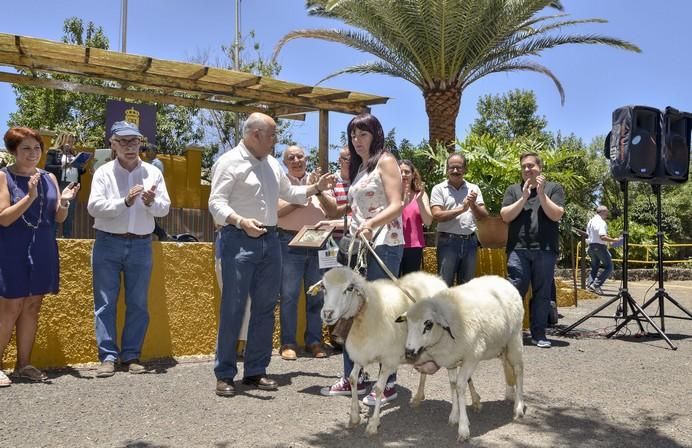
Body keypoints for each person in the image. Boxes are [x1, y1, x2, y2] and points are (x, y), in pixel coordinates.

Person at [208, 112, 334, 397]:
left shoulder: (272, 164)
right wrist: (240, 221)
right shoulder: (229, 162)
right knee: (234, 307)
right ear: (255, 134)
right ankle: (225, 374)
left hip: (271, 241)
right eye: (273, 134)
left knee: (266, 308)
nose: (276, 140)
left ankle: (255, 371)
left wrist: (316, 187)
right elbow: (215, 203)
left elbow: (291, 193)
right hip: (238, 239)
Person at [320, 113, 404, 407]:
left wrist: (370, 223)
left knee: (380, 313)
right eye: (353, 135)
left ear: (376, 135)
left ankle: (388, 383)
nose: (357, 140)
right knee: (350, 309)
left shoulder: (386, 161)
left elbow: (397, 204)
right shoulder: (359, 168)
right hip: (356, 248)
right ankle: (352, 376)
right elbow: (353, 209)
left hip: (384, 244)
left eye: (363, 134)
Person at [87, 121, 171, 377]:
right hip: (107, 243)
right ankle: (108, 357)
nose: (129, 146)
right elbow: (94, 208)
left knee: (138, 303)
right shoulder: (103, 173)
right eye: (122, 141)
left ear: (140, 143)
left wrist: (150, 201)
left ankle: (131, 356)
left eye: (133, 141)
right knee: (105, 303)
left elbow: (164, 208)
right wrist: (124, 202)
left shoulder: (153, 173)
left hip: (141, 245)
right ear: (112, 144)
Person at [0, 127, 80, 386]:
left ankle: (23, 364)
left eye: (37, 148)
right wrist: (30, 197)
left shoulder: (49, 177)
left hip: (43, 248)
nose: (33, 153)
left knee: (33, 307)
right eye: (26, 148)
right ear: (14, 151)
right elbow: (4, 218)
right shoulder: (3, 177)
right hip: (12, 248)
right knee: (10, 307)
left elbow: (57, 217)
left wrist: (66, 201)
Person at [500, 152, 565, 349]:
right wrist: (524, 198)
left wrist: (542, 193)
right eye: (524, 167)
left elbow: (556, 215)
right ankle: (510, 335)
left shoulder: (554, 188)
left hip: (545, 249)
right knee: (514, 289)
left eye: (531, 166)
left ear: (540, 168)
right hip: (518, 249)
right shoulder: (513, 190)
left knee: (542, 292)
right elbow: (505, 216)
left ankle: (539, 334)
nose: (527, 169)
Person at [277, 145, 329, 361]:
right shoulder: (281, 182)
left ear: (306, 159)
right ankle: (288, 343)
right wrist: (303, 196)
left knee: (316, 295)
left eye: (300, 156)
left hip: (318, 242)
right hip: (289, 241)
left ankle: (314, 341)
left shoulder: (319, 180)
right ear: (285, 162)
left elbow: (334, 210)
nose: (296, 160)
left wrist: (317, 189)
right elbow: (278, 212)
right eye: (291, 157)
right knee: (289, 295)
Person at [430, 153, 488, 286]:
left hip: (470, 243)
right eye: (452, 167)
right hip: (447, 243)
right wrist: (462, 209)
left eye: (459, 167)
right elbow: (437, 215)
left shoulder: (474, 188)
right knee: (444, 286)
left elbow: (484, 216)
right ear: (447, 170)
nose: (455, 171)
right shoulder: (439, 189)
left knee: (467, 287)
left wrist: (473, 205)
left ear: (465, 169)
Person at [45, 133, 85, 238]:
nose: (71, 143)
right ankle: (52, 238)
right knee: (58, 211)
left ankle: (67, 238)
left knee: (70, 214)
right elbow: (48, 167)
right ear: (62, 140)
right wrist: (63, 166)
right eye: (69, 141)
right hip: (60, 184)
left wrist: (82, 167)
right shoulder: (53, 152)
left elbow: (77, 170)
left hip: (73, 185)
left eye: (72, 141)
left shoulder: (74, 154)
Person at [398, 159, 432, 275]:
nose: (403, 175)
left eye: (407, 172)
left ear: (413, 175)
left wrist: (419, 201)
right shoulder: (391, 194)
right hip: (393, 245)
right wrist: (403, 202)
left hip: (414, 247)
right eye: (400, 171)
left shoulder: (421, 194)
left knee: (410, 286)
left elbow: (428, 221)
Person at [586, 205, 620, 295]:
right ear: (603, 212)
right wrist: (614, 240)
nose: (607, 214)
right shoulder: (601, 222)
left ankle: (589, 285)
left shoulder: (591, 221)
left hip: (591, 247)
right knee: (609, 267)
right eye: (607, 212)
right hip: (600, 247)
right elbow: (602, 236)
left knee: (595, 267)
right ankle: (596, 285)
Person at [139, 143, 168, 241]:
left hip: (152, 194)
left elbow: (156, 180)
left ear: (154, 152)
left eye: (148, 150)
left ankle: (162, 234)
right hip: (145, 194)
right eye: (146, 150)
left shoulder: (156, 163)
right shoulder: (146, 163)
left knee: (150, 217)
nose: (146, 153)